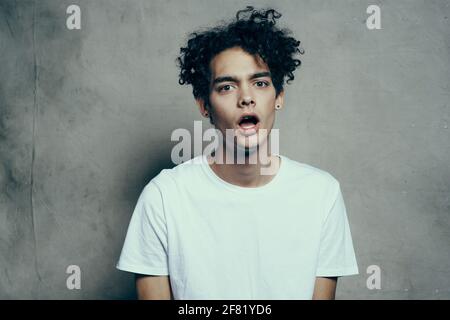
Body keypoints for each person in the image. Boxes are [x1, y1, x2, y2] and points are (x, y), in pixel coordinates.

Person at [116, 6, 358, 300]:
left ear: (278, 96)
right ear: (204, 105)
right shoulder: (164, 198)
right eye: (227, 86)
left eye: (260, 83)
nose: (246, 98)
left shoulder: (322, 194)